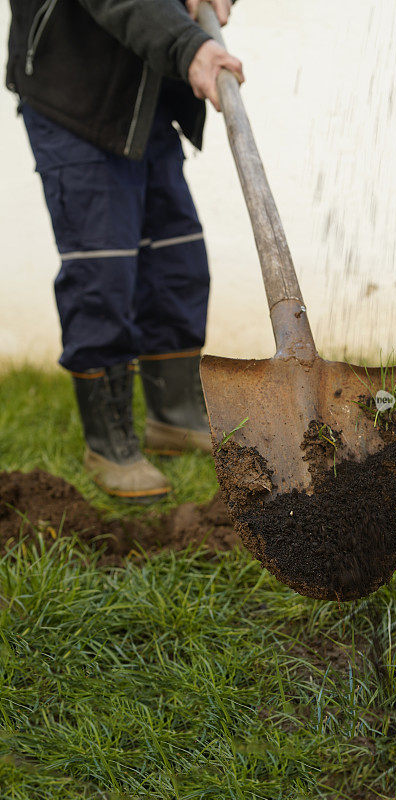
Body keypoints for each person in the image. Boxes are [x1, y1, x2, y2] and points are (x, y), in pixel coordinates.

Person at [6, 0, 244, 502]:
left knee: (177, 262)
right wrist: (188, 44)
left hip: (148, 90)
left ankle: (175, 416)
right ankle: (108, 444)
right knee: (103, 271)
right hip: (74, 88)